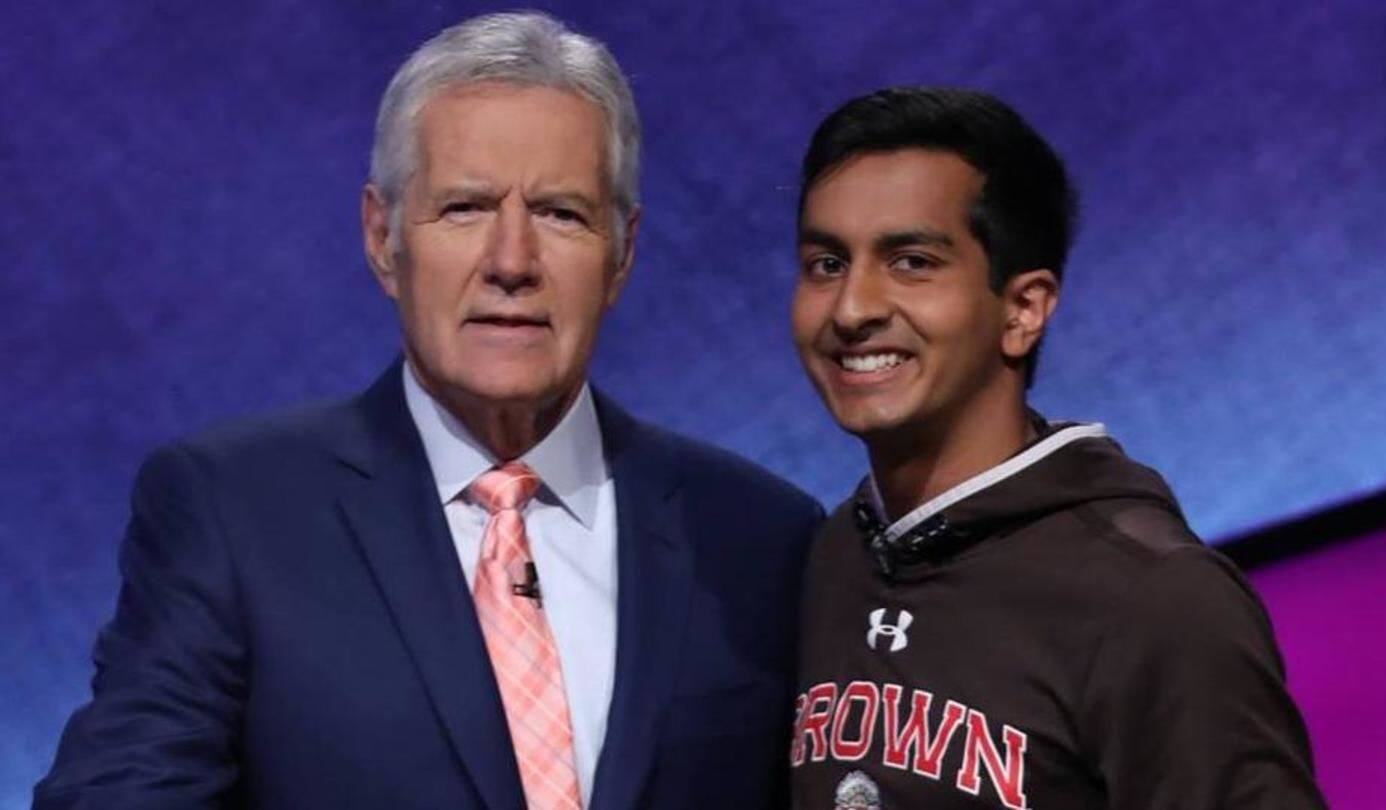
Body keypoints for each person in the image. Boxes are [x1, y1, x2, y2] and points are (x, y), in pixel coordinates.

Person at [36, 12, 821, 809]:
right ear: (382, 238)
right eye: (465, 209)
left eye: (561, 213)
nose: (511, 263)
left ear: (622, 253)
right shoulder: (234, 510)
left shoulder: (760, 538)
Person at [786, 87, 1326, 809]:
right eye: (827, 263)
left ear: (1023, 309)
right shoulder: (832, 556)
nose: (852, 309)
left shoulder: (1155, 599)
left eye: (911, 261)